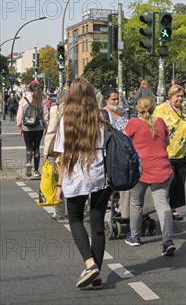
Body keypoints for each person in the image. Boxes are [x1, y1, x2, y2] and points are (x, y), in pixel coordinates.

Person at [54, 77, 112, 289]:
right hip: (100, 175)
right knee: (97, 224)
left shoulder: (66, 119)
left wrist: (59, 185)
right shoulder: (101, 117)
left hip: (75, 174)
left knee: (75, 219)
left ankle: (89, 264)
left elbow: (64, 155)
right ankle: (97, 276)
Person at [124, 97, 176, 256]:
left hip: (141, 170)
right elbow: (166, 141)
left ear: (137, 108)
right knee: (162, 204)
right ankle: (167, 241)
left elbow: (125, 143)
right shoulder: (160, 122)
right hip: (162, 168)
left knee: (136, 202)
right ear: (154, 108)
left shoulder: (133, 123)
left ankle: (134, 236)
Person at [153, 85, 186, 221]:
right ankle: (164, 209)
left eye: (182, 96)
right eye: (177, 96)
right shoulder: (161, 110)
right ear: (170, 96)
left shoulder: (185, 110)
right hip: (166, 152)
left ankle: (173, 207)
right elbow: (152, 126)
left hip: (182, 152)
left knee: (179, 183)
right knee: (169, 182)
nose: (180, 99)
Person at [16, 80, 49, 179]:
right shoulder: (41, 100)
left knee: (29, 148)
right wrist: (46, 128)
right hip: (38, 127)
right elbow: (45, 116)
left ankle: (28, 162)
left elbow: (19, 115)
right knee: (37, 148)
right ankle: (36, 171)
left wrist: (20, 126)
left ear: (29, 89)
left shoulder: (23, 100)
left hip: (27, 127)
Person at [44, 90, 67, 222]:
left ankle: (59, 212)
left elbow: (51, 130)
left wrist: (46, 151)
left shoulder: (55, 109)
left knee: (60, 180)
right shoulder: (77, 109)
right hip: (76, 151)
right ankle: (84, 207)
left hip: (60, 151)